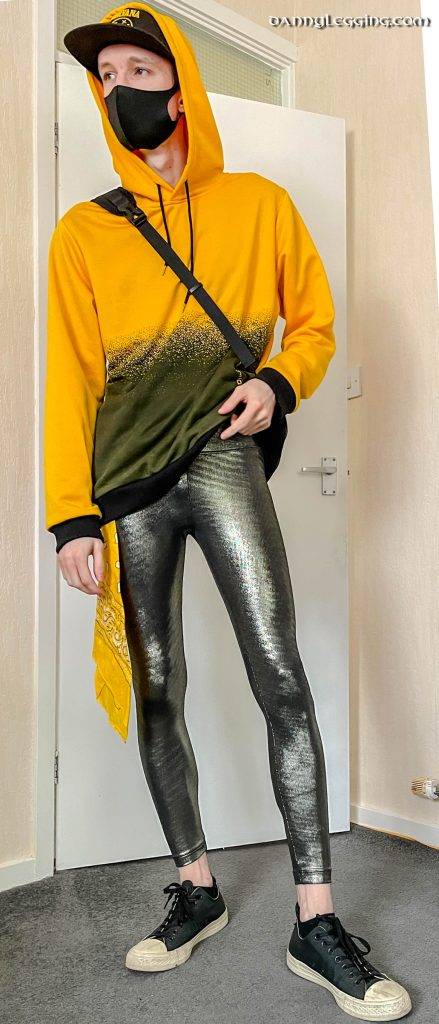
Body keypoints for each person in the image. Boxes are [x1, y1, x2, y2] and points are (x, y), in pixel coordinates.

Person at [44, 4, 411, 1019]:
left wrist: (278, 382)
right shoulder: (82, 232)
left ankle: (315, 919)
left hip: (218, 460)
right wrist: (71, 516)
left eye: (138, 68)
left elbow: (315, 325)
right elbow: (70, 380)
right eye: (106, 74)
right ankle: (195, 886)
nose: (120, 87)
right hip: (124, 485)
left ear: (181, 89)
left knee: (279, 674)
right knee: (157, 686)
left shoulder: (259, 205)